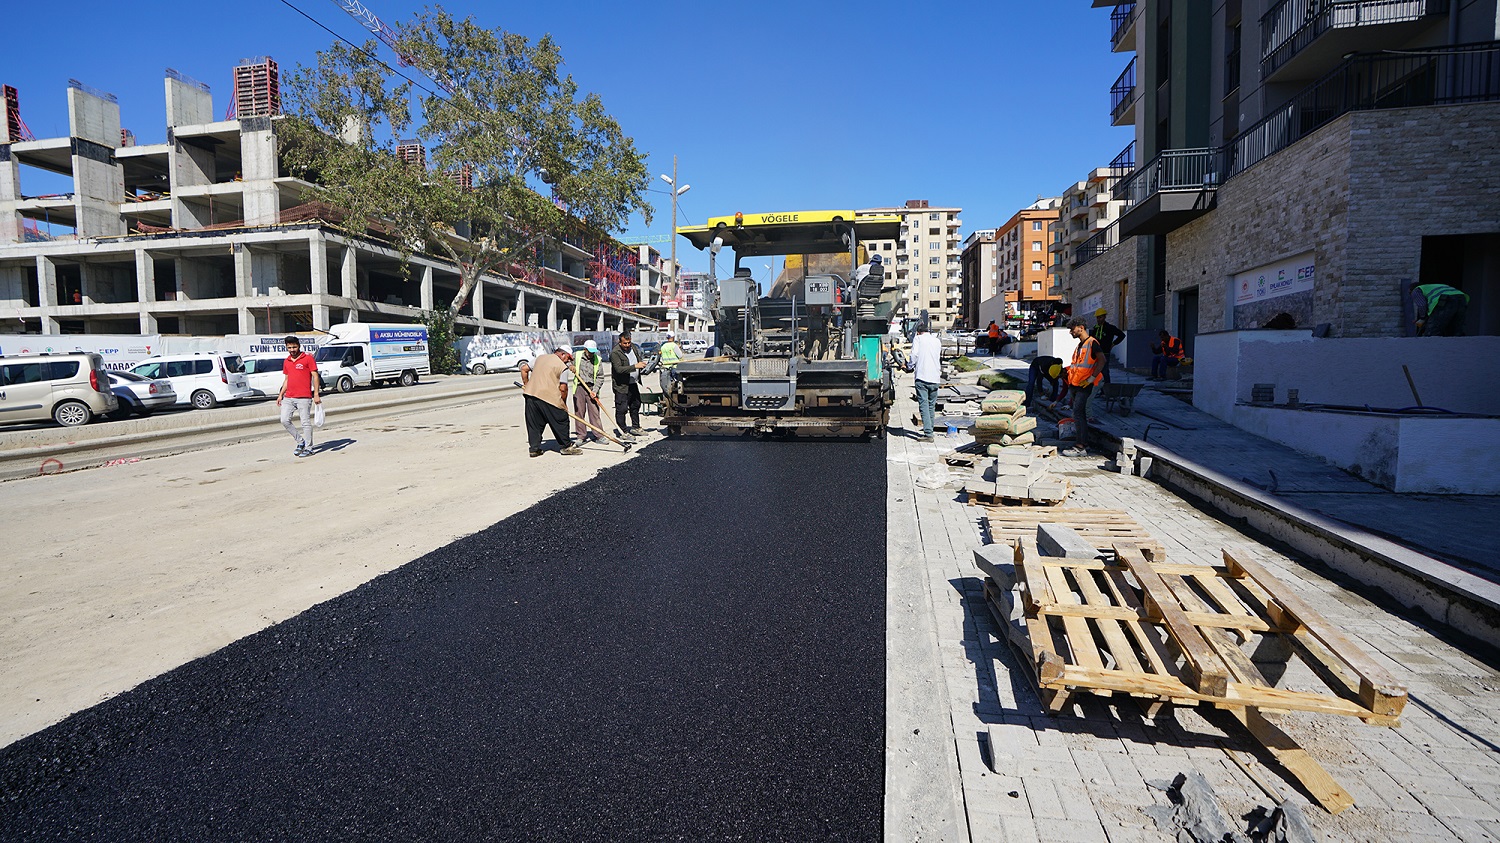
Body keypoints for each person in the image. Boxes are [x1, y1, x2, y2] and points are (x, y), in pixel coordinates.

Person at [519, 346, 581, 458]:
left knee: (534, 424)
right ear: (562, 354)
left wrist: (527, 385)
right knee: (561, 419)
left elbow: (524, 369)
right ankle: (566, 446)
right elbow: (563, 388)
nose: (568, 361)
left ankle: (534, 449)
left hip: (531, 396)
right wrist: (563, 405)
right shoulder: (562, 367)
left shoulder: (540, 358)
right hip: (549, 397)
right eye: (568, 358)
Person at [1061, 318, 1105, 458]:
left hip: (1084, 385)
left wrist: (1091, 378)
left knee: (1078, 414)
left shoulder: (1092, 343)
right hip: (1076, 384)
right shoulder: (1081, 345)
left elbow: (1102, 360)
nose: (1070, 332)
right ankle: (1082, 444)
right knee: (1078, 414)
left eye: (1072, 329)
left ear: (1081, 327)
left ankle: (1080, 447)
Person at [277, 335, 322, 457]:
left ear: (299, 346)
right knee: (285, 420)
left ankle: (309, 447)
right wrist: (281, 395)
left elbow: (315, 376)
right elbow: (287, 379)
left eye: (294, 347)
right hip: (289, 397)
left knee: (305, 423)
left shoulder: (307, 359)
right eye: (289, 347)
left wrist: (316, 394)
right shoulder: (286, 361)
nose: (292, 350)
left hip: (304, 397)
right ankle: (300, 441)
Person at [610, 331, 648, 439]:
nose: (627, 345)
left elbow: (638, 359)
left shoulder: (634, 348)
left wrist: (643, 366)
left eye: (629, 343)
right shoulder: (615, 353)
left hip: (633, 383)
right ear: (620, 342)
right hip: (622, 386)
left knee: (635, 405)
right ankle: (623, 431)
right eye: (625, 343)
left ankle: (635, 427)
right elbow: (618, 369)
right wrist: (635, 366)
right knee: (622, 409)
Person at [909, 322, 943, 442]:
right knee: (931, 406)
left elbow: (914, 355)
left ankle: (928, 434)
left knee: (923, 405)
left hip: (922, 376)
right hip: (935, 378)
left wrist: (909, 366)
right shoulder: (937, 341)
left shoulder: (918, 339)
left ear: (918, 332)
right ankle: (930, 430)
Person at [570, 339, 605, 443]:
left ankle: (599, 435)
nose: (591, 354)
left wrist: (595, 390)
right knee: (579, 412)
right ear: (585, 349)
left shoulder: (598, 359)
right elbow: (565, 361)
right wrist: (570, 366)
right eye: (589, 352)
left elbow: (600, 377)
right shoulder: (576, 355)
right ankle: (581, 436)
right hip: (579, 387)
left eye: (593, 352)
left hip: (592, 388)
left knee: (594, 413)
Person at [1090, 308, 1126, 383]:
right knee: (1096, 371)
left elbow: (1121, 335)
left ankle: (1106, 388)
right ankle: (1098, 389)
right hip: (1095, 353)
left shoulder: (1110, 328)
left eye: (1100, 317)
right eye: (1097, 317)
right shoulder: (1095, 328)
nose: (1099, 319)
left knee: (1104, 371)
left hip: (1105, 353)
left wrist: (1113, 344)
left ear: (1104, 317)